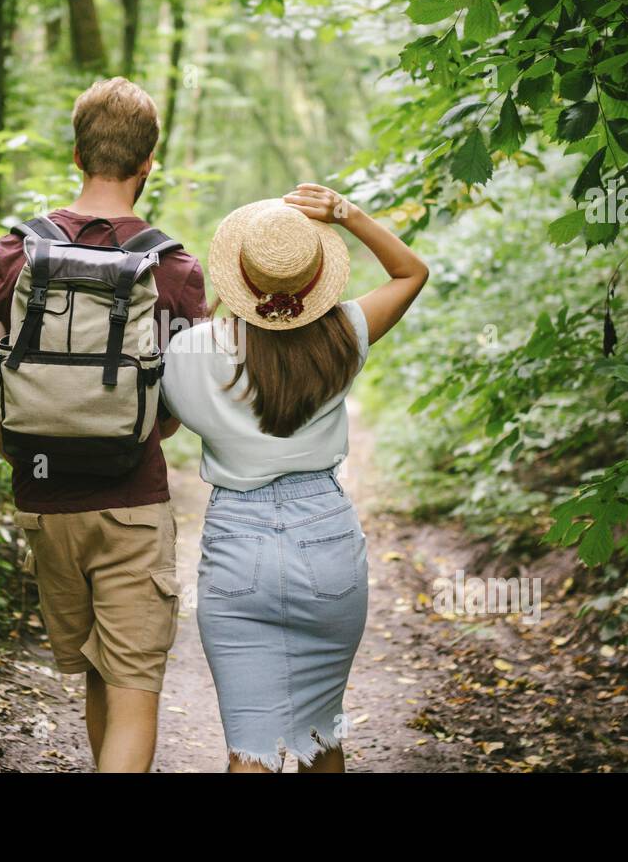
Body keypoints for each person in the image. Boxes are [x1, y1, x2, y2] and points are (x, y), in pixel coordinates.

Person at [0, 77, 206, 772]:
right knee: (132, 686)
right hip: (132, 502)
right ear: (149, 163)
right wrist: (132, 434)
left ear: (77, 154)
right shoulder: (174, 269)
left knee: (99, 674)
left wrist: (33, 460)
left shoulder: (13, 255)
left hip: (45, 504)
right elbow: (186, 402)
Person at [159, 184, 428, 773]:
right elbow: (411, 273)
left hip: (237, 545)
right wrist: (346, 214)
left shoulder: (187, 351)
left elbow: (164, 428)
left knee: (249, 749)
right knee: (321, 737)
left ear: (239, 277)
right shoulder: (347, 335)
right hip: (326, 541)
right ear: (316, 279)